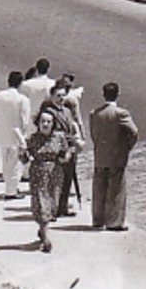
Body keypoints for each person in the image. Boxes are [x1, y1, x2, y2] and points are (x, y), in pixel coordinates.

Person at [88, 82, 139, 231]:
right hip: (116, 156)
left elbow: (94, 134)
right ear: (117, 94)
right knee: (115, 190)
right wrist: (126, 146)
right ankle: (114, 221)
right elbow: (134, 132)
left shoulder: (95, 113)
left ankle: (98, 219)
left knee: (99, 189)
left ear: (104, 94)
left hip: (100, 154)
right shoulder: (121, 113)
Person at [21, 107, 70, 252]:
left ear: (53, 123)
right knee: (42, 205)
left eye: (49, 121)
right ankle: (47, 239)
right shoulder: (33, 139)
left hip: (55, 173)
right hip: (38, 174)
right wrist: (22, 151)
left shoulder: (59, 137)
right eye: (43, 121)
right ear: (38, 123)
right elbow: (24, 159)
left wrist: (64, 158)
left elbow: (67, 154)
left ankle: (43, 230)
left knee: (53, 204)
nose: (46, 124)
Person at [0, 71, 34, 198]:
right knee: (14, 164)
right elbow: (25, 119)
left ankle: (10, 187)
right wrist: (24, 136)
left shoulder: (0, 96)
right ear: (20, 83)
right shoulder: (22, 99)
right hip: (16, 135)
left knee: (6, 162)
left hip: (1, 133)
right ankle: (11, 191)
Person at [44, 77, 86, 217]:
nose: (61, 98)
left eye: (63, 95)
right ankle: (53, 209)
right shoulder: (48, 111)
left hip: (68, 148)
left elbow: (72, 126)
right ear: (52, 96)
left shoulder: (66, 111)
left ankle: (62, 207)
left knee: (67, 179)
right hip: (55, 149)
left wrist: (76, 140)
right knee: (55, 180)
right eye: (58, 96)